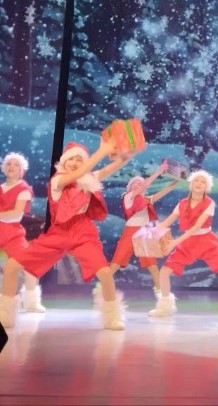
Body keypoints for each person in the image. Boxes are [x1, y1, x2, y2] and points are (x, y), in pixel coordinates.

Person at [1, 140, 132, 330]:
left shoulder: (87, 179)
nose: (75, 163)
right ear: (63, 162)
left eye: (79, 159)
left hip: (83, 232)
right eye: (71, 159)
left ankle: (113, 317)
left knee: (104, 273)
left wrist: (125, 157)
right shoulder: (57, 180)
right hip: (59, 233)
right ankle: (5, 314)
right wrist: (101, 151)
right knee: (12, 266)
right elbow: (77, 174)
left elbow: (109, 169)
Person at [147, 170, 218, 317]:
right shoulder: (182, 204)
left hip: (206, 241)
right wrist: (151, 234)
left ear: (207, 187)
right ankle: (164, 307)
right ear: (190, 184)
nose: (199, 183)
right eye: (196, 180)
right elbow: (167, 222)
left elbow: (197, 227)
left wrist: (175, 242)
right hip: (187, 244)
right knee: (164, 272)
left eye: (203, 182)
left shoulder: (210, 203)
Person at [107, 161, 178, 293]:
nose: (137, 185)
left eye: (140, 183)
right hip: (130, 231)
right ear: (129, 187)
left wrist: (177, 181)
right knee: (116, 263)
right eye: (134, 184)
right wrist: (158, 171)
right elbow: (144, 185)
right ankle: (103, 289)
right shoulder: (128, 196)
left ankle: (162, 294)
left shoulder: (146, 200)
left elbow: (164, 191)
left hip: (145, 233)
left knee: (152, 266)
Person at [0, 153, 45, 315]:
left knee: (30, 266)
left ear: (22, 170)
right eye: (8, 164)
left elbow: (16, 214)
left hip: (12, 233)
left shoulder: (24, 189)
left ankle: (32, 303)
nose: (11, 167)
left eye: (16, 164)